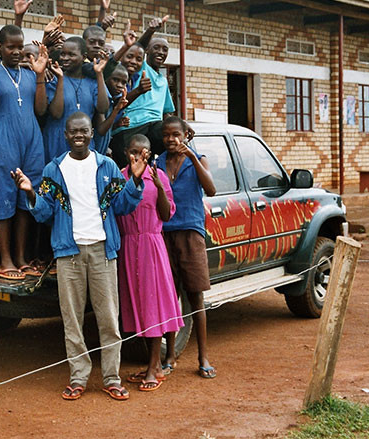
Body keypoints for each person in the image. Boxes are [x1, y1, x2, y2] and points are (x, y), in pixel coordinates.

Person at [12, 112, 147, 402]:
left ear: (91, 134)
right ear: (65, 135)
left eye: (84, 131)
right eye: (73, 131)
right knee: (71, 320)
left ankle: (112, 377)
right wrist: (31, 194)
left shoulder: (107, 166)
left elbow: (122, 206)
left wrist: (134, 181)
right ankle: (78, 377)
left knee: (109, 318)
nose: (79, 136)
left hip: (102, 250)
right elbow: (45, 212)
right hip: (69, 254)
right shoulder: (54, 169)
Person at [0, 26, 51, 280]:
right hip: (4, 140)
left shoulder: (30, 75)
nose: (18, 52)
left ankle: (20, 257)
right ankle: (5, 258)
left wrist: (40, 75)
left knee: (25, 199)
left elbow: (41, 109)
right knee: (5, 199)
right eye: (11, 47)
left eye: (20, 47)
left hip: (32, 141)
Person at [117, 134, 184, 392]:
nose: (140, 157)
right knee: (137, 307)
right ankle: (152, 366)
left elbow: (167, 214)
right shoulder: (120, 177)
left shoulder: (158, 177)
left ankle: (154, 368)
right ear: (126, 153)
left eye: (144, 152)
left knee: (153, 304)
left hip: (151, 245)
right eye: (135, 152)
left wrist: (157, 183)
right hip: (127, 247)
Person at [156, 116, 217, 379]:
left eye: (176, 135)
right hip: (165, 235)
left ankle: (203, 357)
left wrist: (191, 156)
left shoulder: (198, 160)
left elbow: (211, 189)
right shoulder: (157, 162)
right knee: (171, 298)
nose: (171, 140)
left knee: (195, 297)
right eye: (167, 135)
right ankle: (170, 355)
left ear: (185, 135)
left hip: (191, 233)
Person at [110, 16, 175, 166]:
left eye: (164, 49)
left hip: (154, 128)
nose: (160, 52)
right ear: (147, 52)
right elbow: (138, 46)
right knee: (129, 167)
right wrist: (150, 31)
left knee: (175, 143)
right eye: (156, 48)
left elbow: (167, 112)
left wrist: (181, 126)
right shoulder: (141, 67)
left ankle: (168, 179)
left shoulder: (163, 81)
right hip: (133, 126)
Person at [43, 37, 109, 162]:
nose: (65, 58)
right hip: (57, 142)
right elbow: (56, 113)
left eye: (71, 54)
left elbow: (103, 108)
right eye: (63, 54)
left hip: (83, 144)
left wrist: (99, 73)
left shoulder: (92, 83)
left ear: (83, 56)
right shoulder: (54, 79)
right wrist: (61, 79)